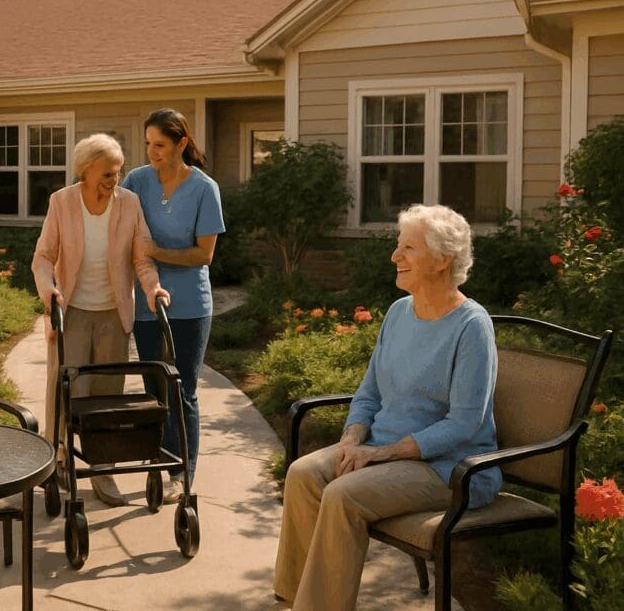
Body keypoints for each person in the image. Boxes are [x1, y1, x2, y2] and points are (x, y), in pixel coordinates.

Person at [273, 204, 501, 611]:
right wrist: (352, 438)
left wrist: (380, 453)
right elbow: (369, 393)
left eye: (408, 248)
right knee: (304, 473)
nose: (395, 257)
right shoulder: (399, 313)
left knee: (343, 494)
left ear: (443, 260)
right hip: (385, 449)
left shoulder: (472, 326)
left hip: (451, 469)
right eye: (398, 247)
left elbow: (465, 423)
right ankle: (294, 600)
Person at [32, 132, 169, 507]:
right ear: (85, 171)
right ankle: (58, 462)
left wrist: (153, 289)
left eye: (117, 173)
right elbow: (43, 257)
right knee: (65, 393)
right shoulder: (61, 202)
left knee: (107, 397)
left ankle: (103, 472)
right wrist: (49, 291)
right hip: (72, 311)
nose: (114, 181)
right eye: (107, 174)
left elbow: (141, 258)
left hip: (113, 312)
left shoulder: (129, 203)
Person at [121, 108, 225, 503]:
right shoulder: (136, 181)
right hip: (148, 303)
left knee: (183, 390)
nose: (152, 152)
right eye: (148, 144)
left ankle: (182, 474)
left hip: (190, 307)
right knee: (154, 389)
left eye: (160, 145)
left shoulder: (203, 188)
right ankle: (158, 463)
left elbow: (203, 255)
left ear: (181, 143)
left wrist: (156, 251)